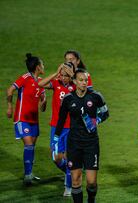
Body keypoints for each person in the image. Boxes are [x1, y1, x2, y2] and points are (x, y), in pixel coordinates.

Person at [54, 69, 109, 203]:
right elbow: (61, 119)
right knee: (76, 179)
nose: (84, 83)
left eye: (85, 80)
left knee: (91, 182)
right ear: (74, 81)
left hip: (91, 143)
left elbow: (105, 113)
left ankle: (91, 200)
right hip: (74, 143)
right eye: (81, 80)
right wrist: (56, 139)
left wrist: (97, 121)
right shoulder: (68, 98)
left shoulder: (96, 96)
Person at [6, 53, 47, 185]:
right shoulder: (25, 77)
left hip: (34, 120)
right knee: (29, 145)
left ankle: (28, 173)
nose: (43, 66)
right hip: (21, 118)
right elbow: (10, 90)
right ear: (37, 67)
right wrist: (9, 107)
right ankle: (28, 175)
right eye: (42, 64)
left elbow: (43, 107)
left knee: (32, 147)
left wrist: (44, 100)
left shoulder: (41, 82)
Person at [38, 62, 76, 196]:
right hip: (57, 127)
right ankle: (70, 171)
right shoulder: (56, 84)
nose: (64, 78)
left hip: (71, 128)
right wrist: (56, 72)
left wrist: (73, 75)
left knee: (69, 157)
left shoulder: (76, 86)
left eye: (67, 75)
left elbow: (86, 89)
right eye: (62, 75)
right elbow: (40, 84)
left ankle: (68, 186)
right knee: (56, 157)